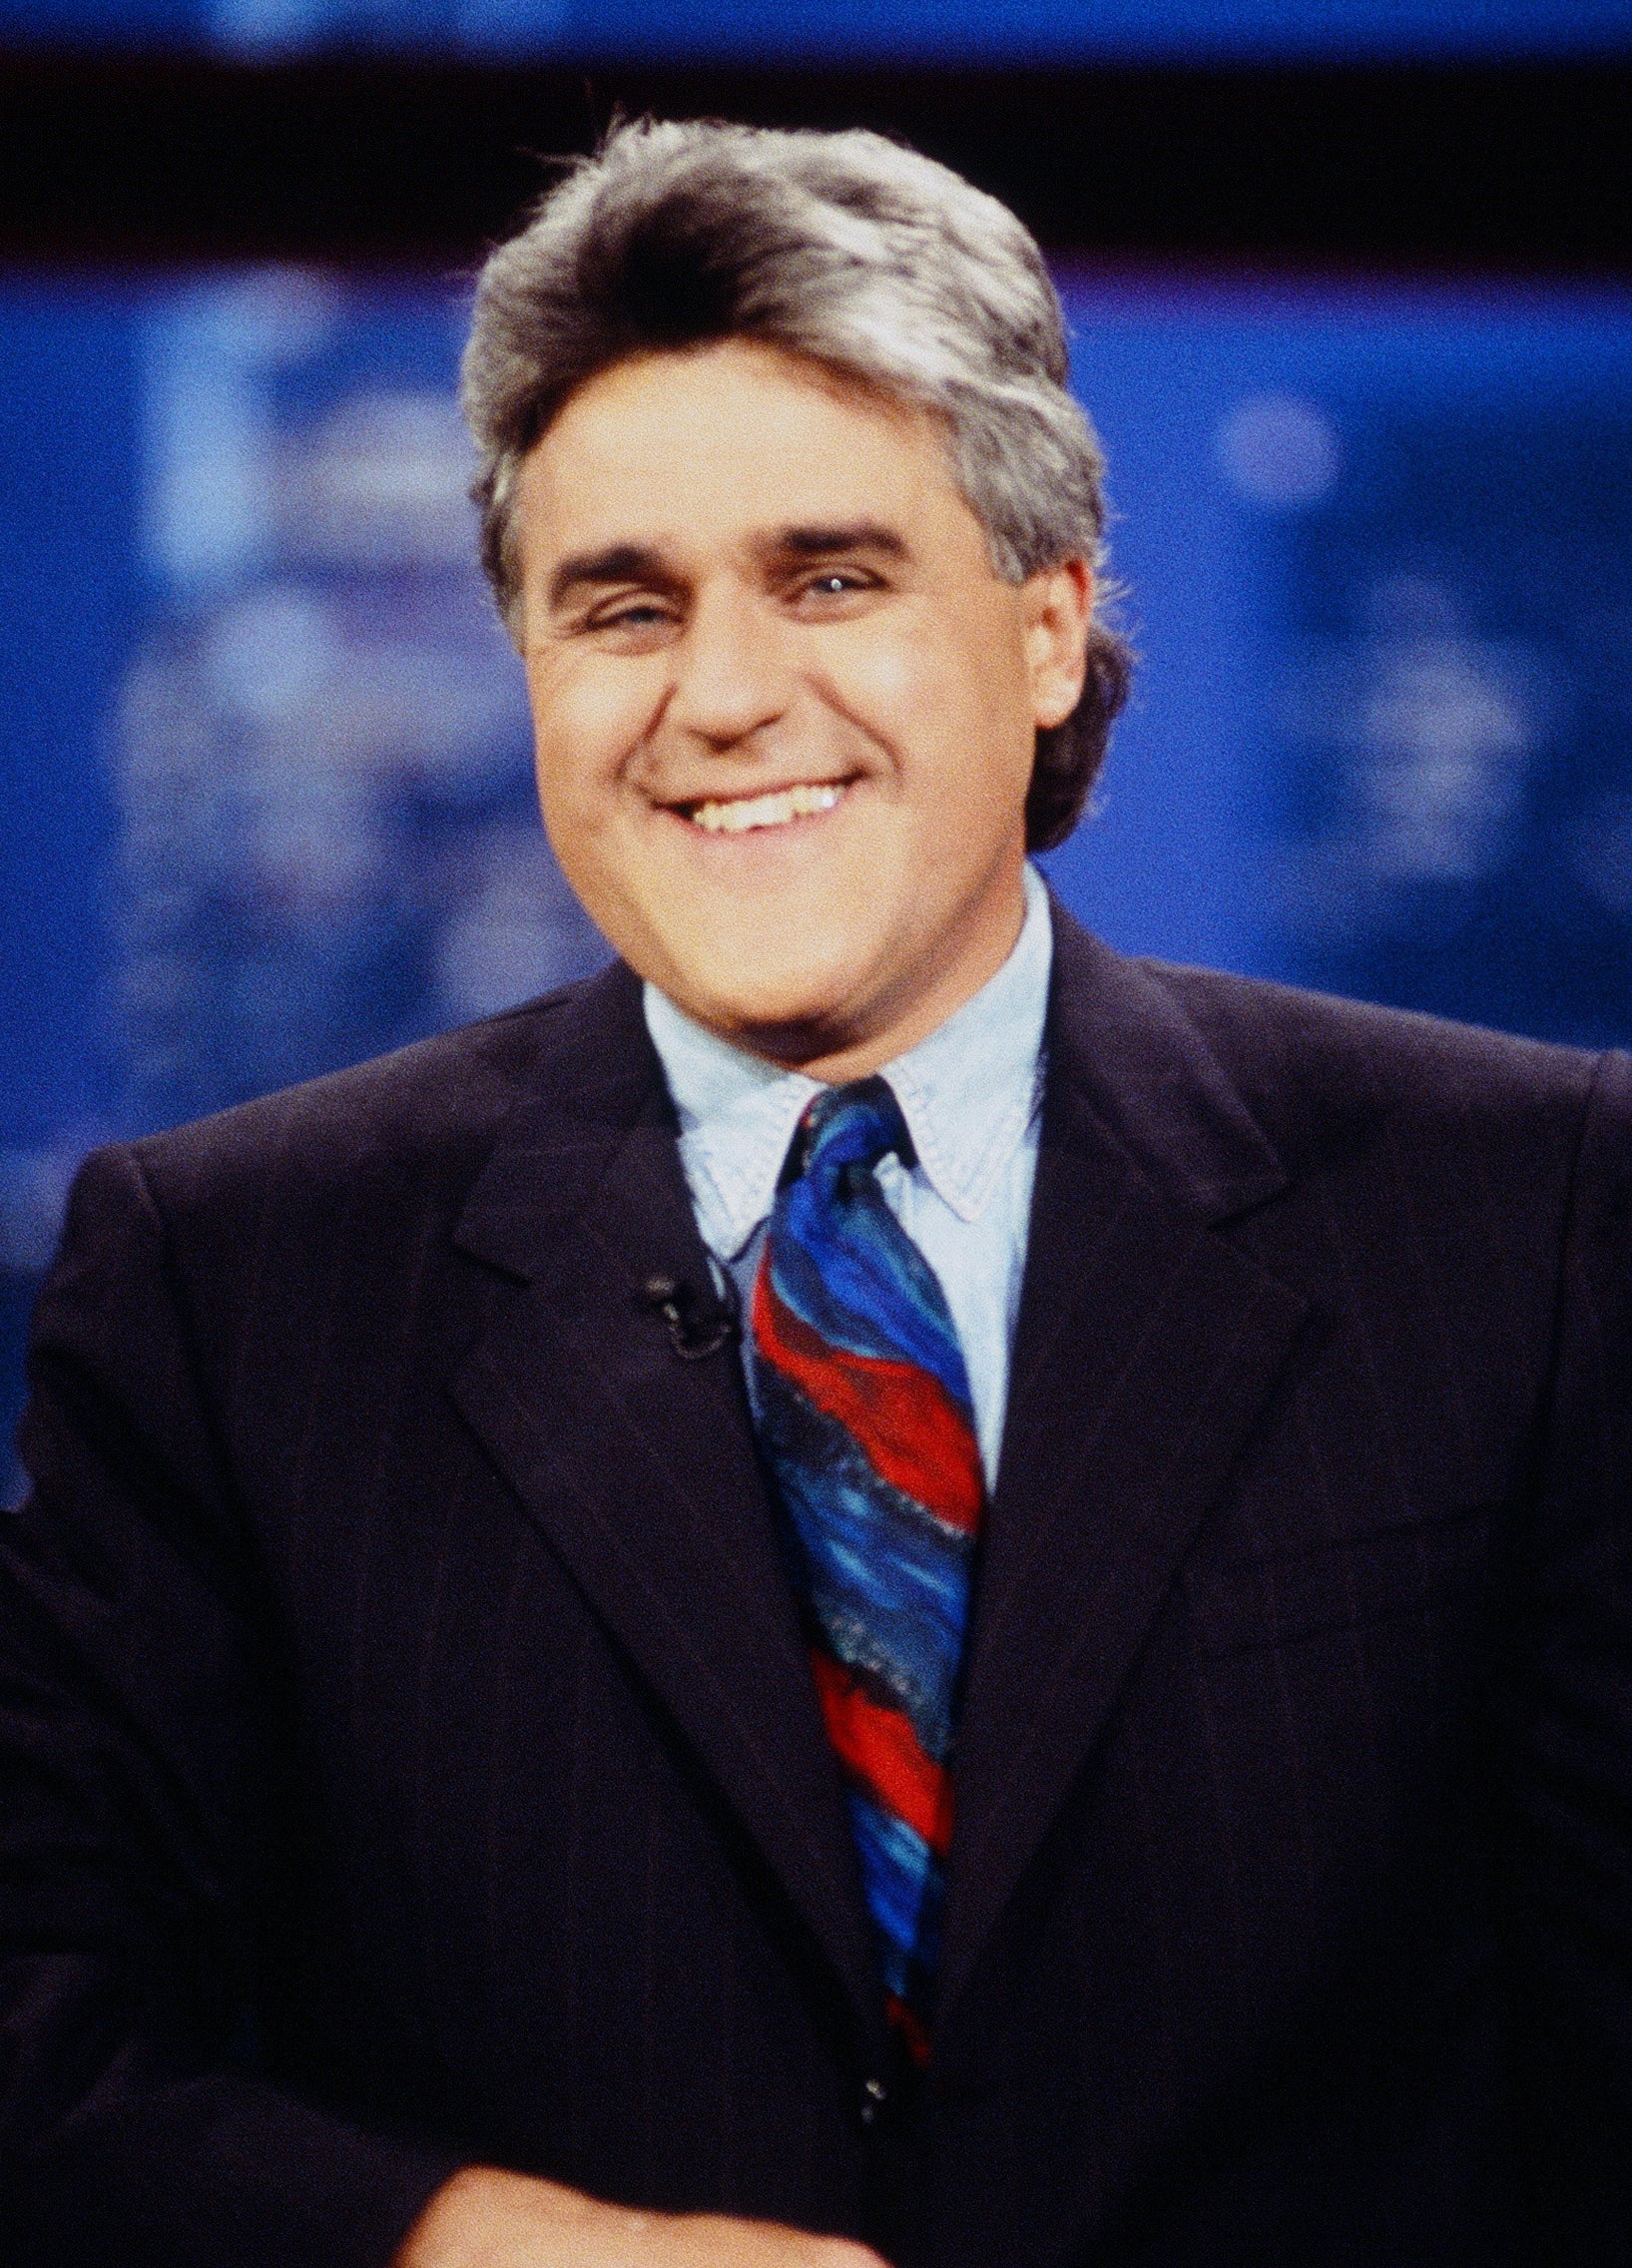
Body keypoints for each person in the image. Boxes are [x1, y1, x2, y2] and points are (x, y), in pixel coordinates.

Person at [1, 119, 1629, 2268]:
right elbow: (46, 2050)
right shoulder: (231, 1283)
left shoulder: (1518, 1213)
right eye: (623, 608)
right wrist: (482, 2247)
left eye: (832, 578)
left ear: (1046, 629)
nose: (722, 696)